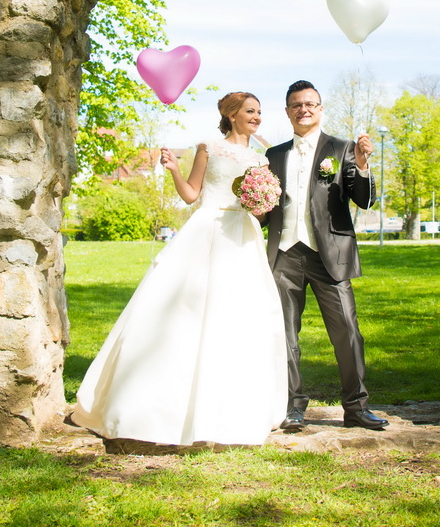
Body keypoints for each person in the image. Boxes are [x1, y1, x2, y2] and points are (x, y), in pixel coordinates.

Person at [70, 92, 288, 446]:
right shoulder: (207, 147)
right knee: (185, 312)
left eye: (260, 112)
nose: (257, 117)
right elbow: (191, 194)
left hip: (243, 238)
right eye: (250, 111)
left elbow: (261, 214)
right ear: (231, 115)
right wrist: (173, 170)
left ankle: (235, 409)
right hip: (208, 231)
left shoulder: (259, 158)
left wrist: (260, 202)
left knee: (240, 315)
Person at [264, 80, 387, 432]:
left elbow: (362, 199)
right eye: (296, 105)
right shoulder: (273, 155)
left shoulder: (342, 148)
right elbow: (264, 209)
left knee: (348, 332)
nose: (304, 109)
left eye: (310, 104)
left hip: (329, 255)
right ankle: (292, 406)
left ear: (320, 108)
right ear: (288, 111)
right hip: (284, 255)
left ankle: (357, 407)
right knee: (285, 335)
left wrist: (362, 165)